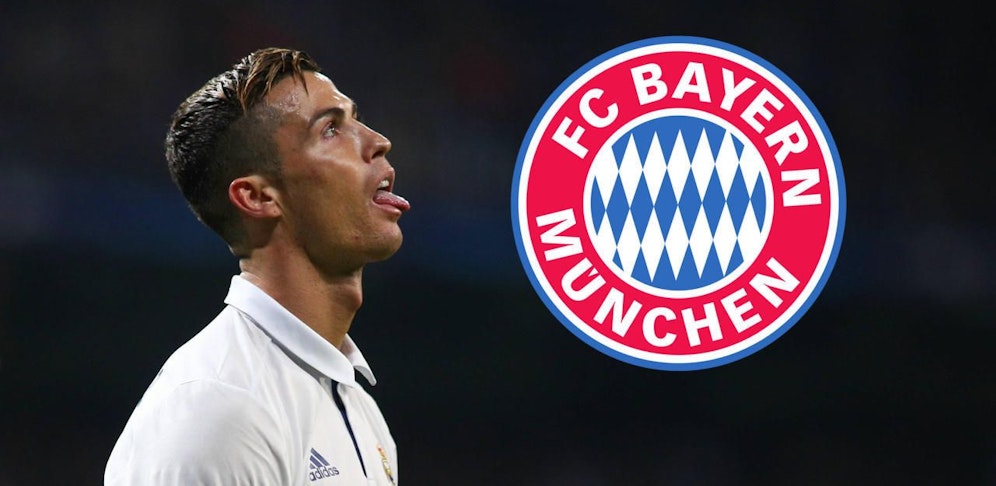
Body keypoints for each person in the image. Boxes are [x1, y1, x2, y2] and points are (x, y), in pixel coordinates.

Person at [105, 47, 409, 485]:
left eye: (355, 118)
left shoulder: (357, 407)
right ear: (259, 197)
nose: (378, 140)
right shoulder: (218, 409)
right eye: (330, 129)